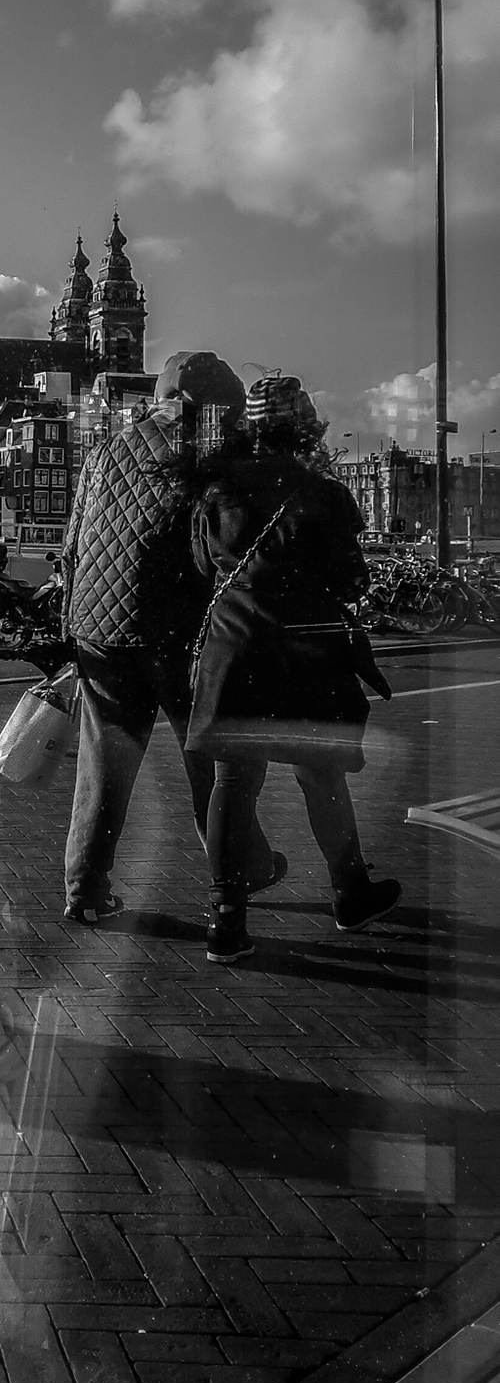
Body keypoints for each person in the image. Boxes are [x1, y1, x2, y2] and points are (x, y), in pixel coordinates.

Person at [60, 351, 283, 923]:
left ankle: (85, 890)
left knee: (103, 766)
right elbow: (223, 555)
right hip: (175, 634)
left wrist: (75, 621)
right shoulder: (214, 455)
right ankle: (241, 871)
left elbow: (73, 541)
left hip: (98, 630)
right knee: (214, 761)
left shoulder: (108, 447)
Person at [186, 374, 398, 965]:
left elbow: (204, 566)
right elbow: (349, 577)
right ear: (305, 427)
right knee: (320, 775)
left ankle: (226, 921)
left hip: (235, 648)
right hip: (304, 652)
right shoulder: (322, 493)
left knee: (235, 780)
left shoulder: (216, 490)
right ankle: (350, 891)